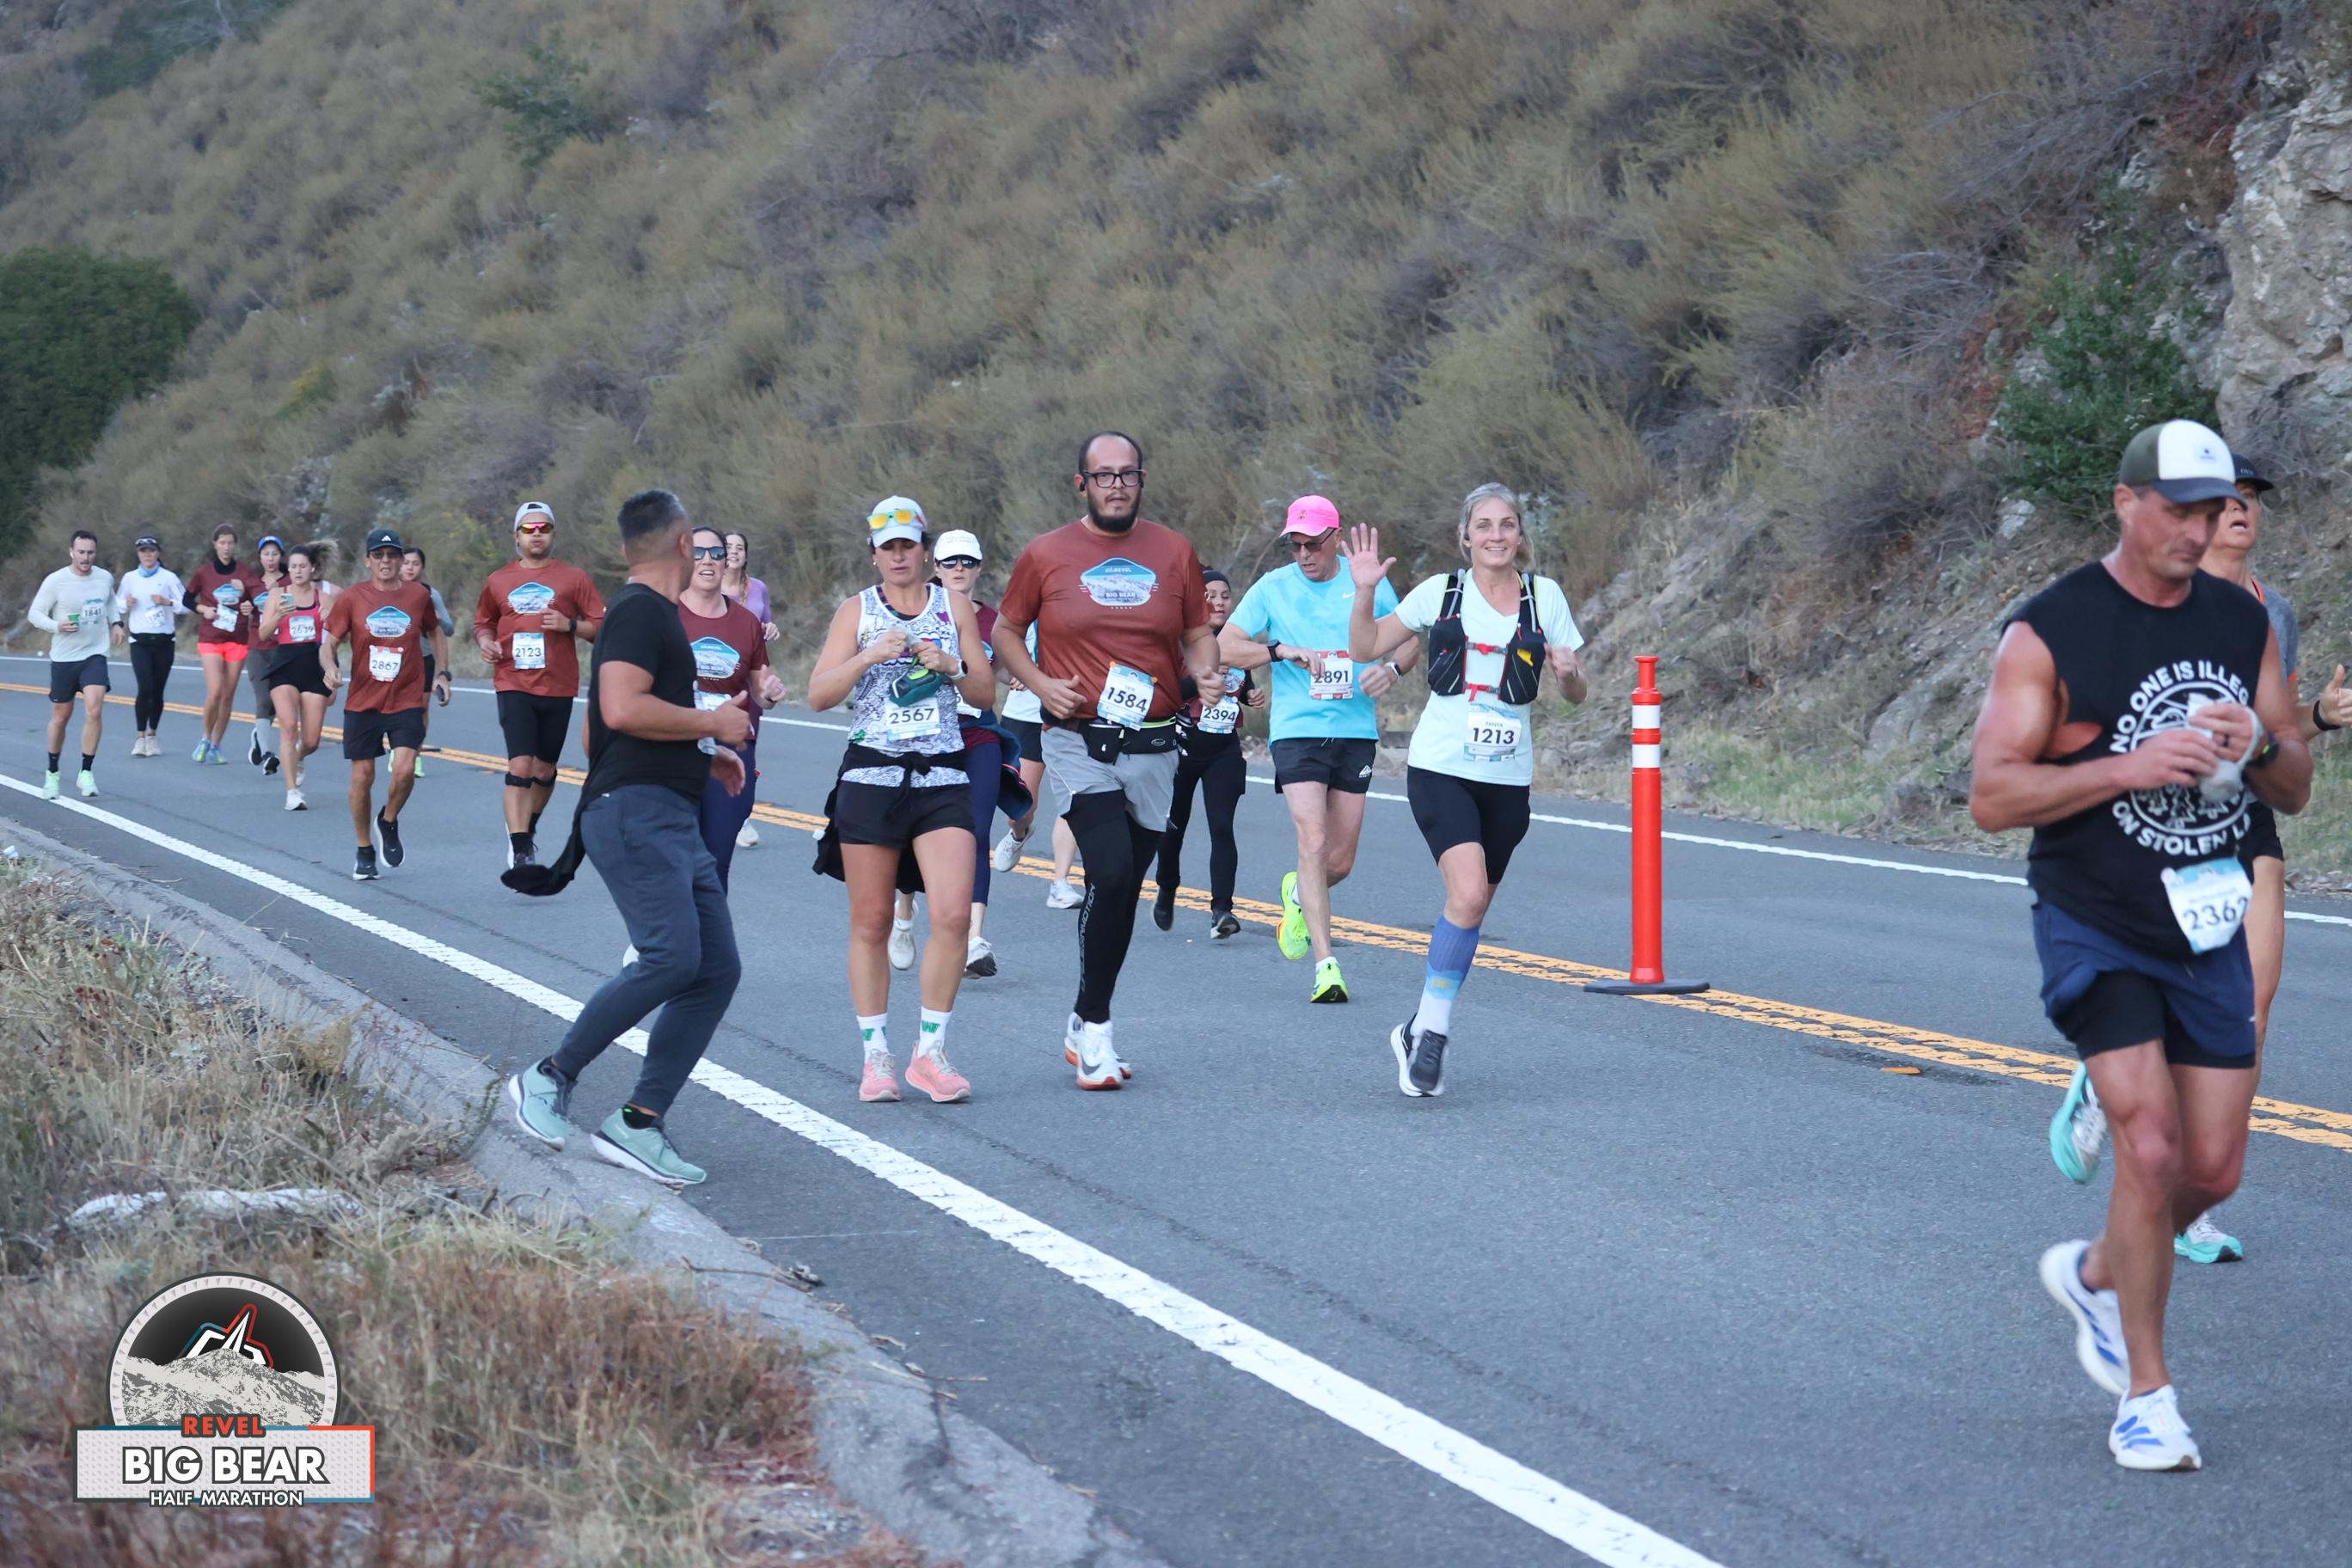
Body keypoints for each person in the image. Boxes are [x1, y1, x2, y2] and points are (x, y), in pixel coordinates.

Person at [1970, 420, 2310, 1472]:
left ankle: (2098, 1276)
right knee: (2150, 1150)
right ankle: (2149, 1398)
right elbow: (1992, 796)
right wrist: (2127, 766)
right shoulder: (2050, 629)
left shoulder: (2239, 618)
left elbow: (2296, 784)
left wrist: (2260, 742)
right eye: (2178, 510)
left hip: (2206, 919)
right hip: (2096, 917)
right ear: (2126, 503)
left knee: (2213, 1170)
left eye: (2214, 512)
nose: (2198, 531)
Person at [2050, 452, 2352, 1269]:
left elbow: (2278, 734)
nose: (2242, 510)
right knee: (2163, 991)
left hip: (2246, 816)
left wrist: (2320, 717)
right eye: (2227, 499)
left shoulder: (2271, 611)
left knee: (2249, 1010)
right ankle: (2108, 1072)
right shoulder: (2148, 599)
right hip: (2162, 822)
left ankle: (2194, 1210)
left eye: (2252, 498)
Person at [504, 489, 754, 1185]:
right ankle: (549, 1077)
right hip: (635, 813)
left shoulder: (649, 616)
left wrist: (702, 753)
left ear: (625, 548)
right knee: (671, 956)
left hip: (666, 810)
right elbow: (619, 708)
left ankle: (639, 1123)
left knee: (714, 968)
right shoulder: (640, 612)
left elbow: (610, 729)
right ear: (684, 546)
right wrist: (712, 724)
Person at [994, 433, 1222, 1089]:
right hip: (1078, 739)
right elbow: (1006, 631)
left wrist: (1206, 672)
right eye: (1104, 476)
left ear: (1141, 480)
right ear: (1082, 484)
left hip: (1155, 743)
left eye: (1127, 475)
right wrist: (1040, 685)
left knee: (1121, 889)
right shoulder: (1047, 554)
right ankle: (1096, 1029)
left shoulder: (1174, 551)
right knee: (1112, 871)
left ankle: (1083, 1015)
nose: (1116, 485)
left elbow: (1196, 633)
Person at [1344, 486, 1587, 1097]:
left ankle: (1415, 1029)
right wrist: (1366, 590)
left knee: (1472, 909)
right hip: (1441, 767)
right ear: (1466, 536)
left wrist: (1569, 676)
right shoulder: (1441, 592)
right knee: (1470, 891)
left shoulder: (1545, 598)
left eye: (1507, 524)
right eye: (1484, 525)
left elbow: (1577, 693)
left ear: (1520, 534)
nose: (1496, 535)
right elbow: (1364, 647)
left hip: (1508, 778)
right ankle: (1434, 1031)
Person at [810, 499, 992, 1103]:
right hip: (872, 776)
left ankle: (930, 1054)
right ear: (874, 555)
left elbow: (985, 692)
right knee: (872, 922)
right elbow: (818, 694)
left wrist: (951, 664)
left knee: (955, 916)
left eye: (907, 545)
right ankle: (877, 1057)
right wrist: (869, 655)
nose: (898, 556)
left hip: (941, 775)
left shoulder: (954, 607)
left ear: (924, 550)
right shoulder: (856, 611)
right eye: (887, 547)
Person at [1220, 496, 1418, 1000]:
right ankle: (1326, 965)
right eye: (1295, 545)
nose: (1304, 554)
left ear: (1336, 539)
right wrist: (1277, 650)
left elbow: (1410, 635)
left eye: (1313, 544)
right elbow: (1223, 645)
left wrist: (1392, 669)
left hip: (1355, 730)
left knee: (1340, 861)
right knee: (1312, 840)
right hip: (1297, 729)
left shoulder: (1364, 579)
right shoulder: (1274, 587)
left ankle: (1297, 891)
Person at [891, 529, 1014, 977]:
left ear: (980, 567)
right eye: (950, 562)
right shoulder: (918, 613)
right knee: (912, 831)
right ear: (936, 567)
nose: (959, 569)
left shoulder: (995, 622)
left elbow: (1002, 669)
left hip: (978, 733)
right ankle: (904, 910)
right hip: (925, 735)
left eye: (968, 561)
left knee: (975, 832)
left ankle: (973, 939)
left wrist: (1022, 678)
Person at [475, 500, 606, 869]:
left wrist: (570, 625)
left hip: (558, 685)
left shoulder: (574, 578)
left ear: (553, 535)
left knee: (545, 770)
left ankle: (527, 826)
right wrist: (486, 642)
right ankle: (520, 847)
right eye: (529, 529)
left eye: (544, 528)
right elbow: (483, 622)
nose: (537, 534)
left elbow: (602, 627)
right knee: (520, 766)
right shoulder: (498, 580)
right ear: (516, 537)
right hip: (513, 681)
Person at [324, 530, 451, 880]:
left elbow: (435, 632)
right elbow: (329, 643)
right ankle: (364, 849)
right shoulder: (352, 597)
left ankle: (389, 819)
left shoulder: (418, 595)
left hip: (406, 697)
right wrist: (330, 667)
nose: (386, 561)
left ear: (400, 560)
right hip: (363, 700)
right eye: (378, 555)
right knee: (363, 776)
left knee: (405, 770)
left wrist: (443, 674)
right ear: (368, 561)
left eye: (392, 555)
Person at [1155, 568, 1265, 937]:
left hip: (1224, 748)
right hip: (1182, 745)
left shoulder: (1236, 642)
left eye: (1225, 596)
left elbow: (1242, 686)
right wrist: (1202, 676)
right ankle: (1167, 888)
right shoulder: (1180, 641)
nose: (1219, 602)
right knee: (1174, 826)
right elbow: (1168, 692)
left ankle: (1222, 911)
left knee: (1222, 826)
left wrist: (1251, 695)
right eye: (1210, 596)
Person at [679, 523, 787, 888]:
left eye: (716, 553)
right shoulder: (664, 614)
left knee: (716, 859)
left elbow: (760, 689)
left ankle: (709, 924)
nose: (707, 560)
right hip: (676, 745)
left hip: (732, 745)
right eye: (698, 553)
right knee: (680, 857)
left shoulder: (746, 622)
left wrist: (770, 692)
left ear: (727, 562)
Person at [989, 623, 1087, 910]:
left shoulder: (1082, 611)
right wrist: (1020, 676)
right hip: (1026, 717)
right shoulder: (1023, 614)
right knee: (1020, 809)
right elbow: (998, 665)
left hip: (1071, 714)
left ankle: (1060, 883)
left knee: (1074, 799)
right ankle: (1019, 833)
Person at [27, 530, 119, 799]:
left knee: (94, 709)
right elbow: (35, 614)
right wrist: (57, 625)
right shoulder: (56, 580)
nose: (86, 558)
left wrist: (117, 623)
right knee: (61, 716)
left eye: (90, 552)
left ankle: (86, 772)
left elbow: (110, 603)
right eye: (81, 552)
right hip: (65, 657)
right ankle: (52, 773)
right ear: (71, 552)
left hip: (95, 653)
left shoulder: (104, 578)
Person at [256, 543, 334, 811]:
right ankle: (293, 793)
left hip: (313, 665)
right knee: (289, 726)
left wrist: (331, 619)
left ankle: (298, 756)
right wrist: (278, 615)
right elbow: (263, 634)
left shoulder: (324, 598)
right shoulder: (278, 595)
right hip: (285, 664)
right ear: (287, 569)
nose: (298, 571)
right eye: (293, 567)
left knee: (311, 741)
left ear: (312, 568)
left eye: (303, 566)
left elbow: (342, 637)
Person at [183, 524, 260, 763]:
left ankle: (216, 745)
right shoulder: (204, 573)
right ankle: (205, 738)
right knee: (215, 690)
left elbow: (259, 599)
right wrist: (203, 609)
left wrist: (248, 601)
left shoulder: (244, 572)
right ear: (215, 544)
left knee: (227, 696)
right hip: (211, 638)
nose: (226, 547)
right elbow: (187, 599)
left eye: (230, 543)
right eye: (222, 543)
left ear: (235, 545)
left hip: (237, 639)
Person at [720, 530, 778, 849]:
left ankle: (740, 814)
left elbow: (766, 625)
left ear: (746, 554)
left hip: (749, 674)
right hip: (715, 673)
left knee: (745, 742)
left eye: (739, 547)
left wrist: (770, 629)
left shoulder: (758, 588)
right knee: (713, 741)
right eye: (728, 547)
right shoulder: (707, 585)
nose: (734, 552)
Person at [114, 533, 184, 757]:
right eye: (143, 551)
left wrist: (168, 602)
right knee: (144, 688)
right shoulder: (130, 578)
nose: (148, 555)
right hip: (140, 642)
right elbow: (116, 603)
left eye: (151, 551)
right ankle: (140, 737)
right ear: (138, 554)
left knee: (157, 690)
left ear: (158, 553)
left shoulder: (169, 578)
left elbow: (186, 604)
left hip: (164, 641)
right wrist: (126, 603)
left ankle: (152, 735)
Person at [402, 546, 456, 779]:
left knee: (421, 709)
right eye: (406, 563)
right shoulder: (390, 591)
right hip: (397, 659)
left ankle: (415, 755)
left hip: (424, 658)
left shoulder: (430, 594)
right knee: (399, 708)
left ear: (422, 568)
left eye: (415, 564)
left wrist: (438, 619)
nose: (410, 568)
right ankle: (399, 750)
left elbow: (449, 630)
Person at [244, 536, 286, 770]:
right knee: (264, 699)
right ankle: (267, 753)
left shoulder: (290, 580)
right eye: (266, 554)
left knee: (279, 702)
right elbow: (242, 608)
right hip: (258, 648)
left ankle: (258, 737)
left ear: (281, 556)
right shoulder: (251, 583)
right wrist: (244, 607)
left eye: (274, 554)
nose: (270, 559)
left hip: (283, 648)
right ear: (260, 557)